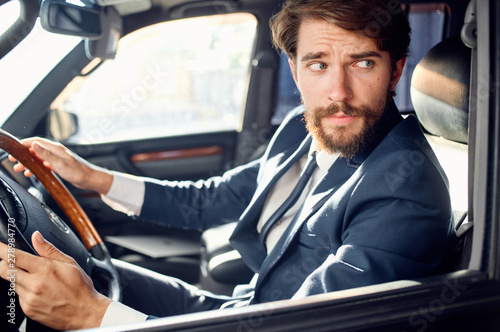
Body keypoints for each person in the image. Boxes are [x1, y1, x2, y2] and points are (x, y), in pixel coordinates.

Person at [0, 0, 458, 329]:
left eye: (362, 63)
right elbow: (214, 199)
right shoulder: (306, 127)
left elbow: (307, 325)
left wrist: (94, 317)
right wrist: (94, 177)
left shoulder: (405, 192)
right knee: (94, 271)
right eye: (318, 65)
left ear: (396, 71)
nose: (338, 91)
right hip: (238, 308)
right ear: (295, 71)